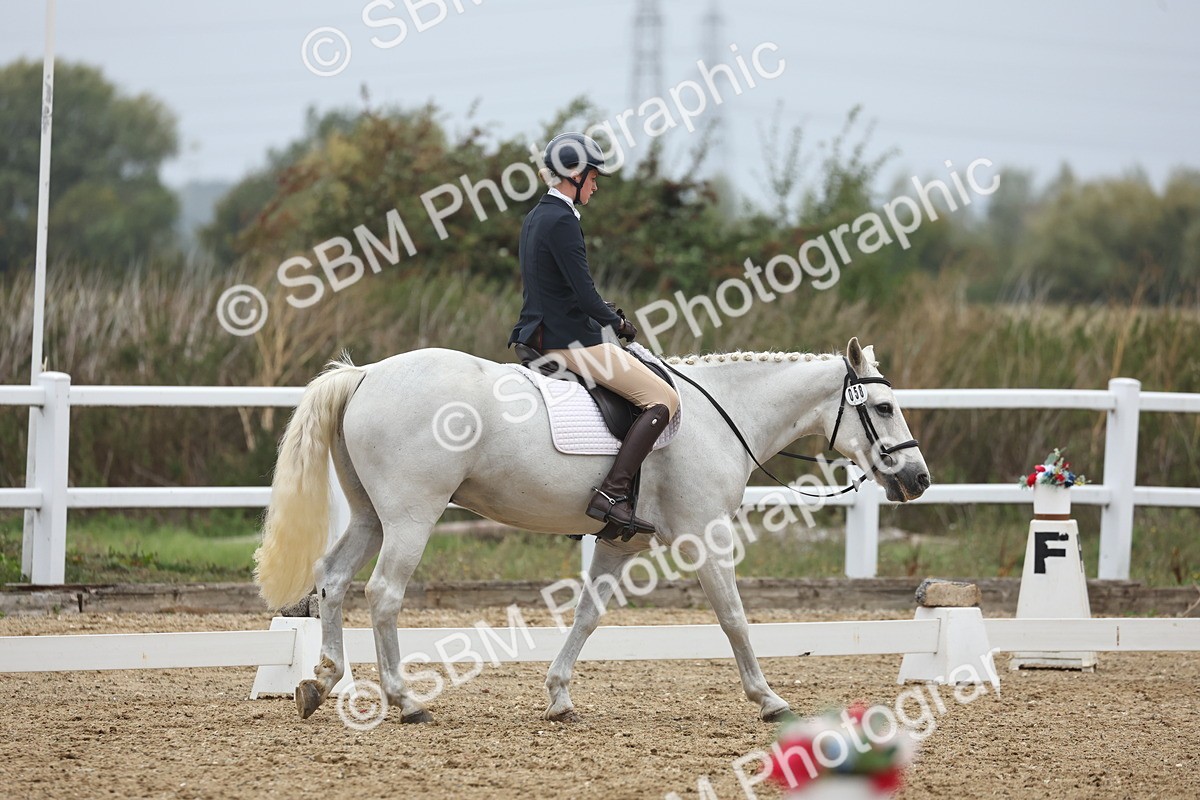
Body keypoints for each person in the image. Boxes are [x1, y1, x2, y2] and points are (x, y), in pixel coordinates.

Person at [508, 132, 680, 535]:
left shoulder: (535, 216)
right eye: (593, 176)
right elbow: (585, 295)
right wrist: (619, 323)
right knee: (663, 398)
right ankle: (612, 493)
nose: (596, 185)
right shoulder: (563, 219)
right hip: (568, 342)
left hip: (533, 335)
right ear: (574, 175)